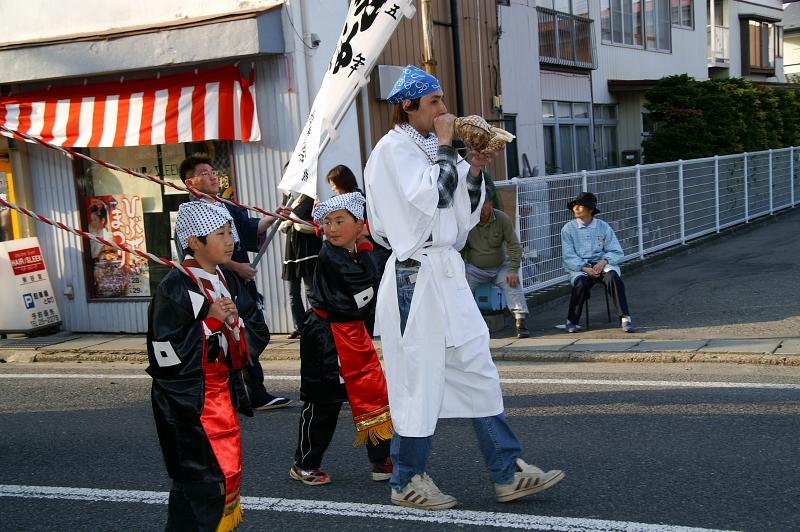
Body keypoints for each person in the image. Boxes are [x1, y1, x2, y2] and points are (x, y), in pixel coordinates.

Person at [364, 65, 564, 510]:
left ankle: (506, 471)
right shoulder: (392, 150)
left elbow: (464, 211)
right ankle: (406, 480)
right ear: (408, 106)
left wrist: (473, 167)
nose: (444, 110)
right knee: (419, 380)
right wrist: (447, 149)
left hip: (446, 269)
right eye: (434, 102)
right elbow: (434, 195)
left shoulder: (436, 148)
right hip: (415, 274)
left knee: (476, 369)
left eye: (442, 100)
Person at [147, 201, 254, 531]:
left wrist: (236, 324)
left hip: (216, 392)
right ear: (194, 242)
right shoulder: (176, 285)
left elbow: (249, 326)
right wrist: (208, 324)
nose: (230, 241)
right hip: (189, 399)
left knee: (193, 489)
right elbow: (163, 354)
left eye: (230, 233)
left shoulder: (220, 277)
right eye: (220, 234)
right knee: (206, 483)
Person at [289, 192, 393, 486]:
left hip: (353, 334)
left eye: (340, 220)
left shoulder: (361, 253)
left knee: (374, 394)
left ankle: (381, 459)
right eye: (328, 222)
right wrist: (367, 250)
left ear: (360, 224)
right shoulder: (333, 256)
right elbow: (361, 296)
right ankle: (304, 463)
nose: (332, 228)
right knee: (323, 402)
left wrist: (366, 250)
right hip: (325, 336)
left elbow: (366, 297)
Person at [179, 154, 291, 410]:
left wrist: (274, 216)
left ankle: (245, 387)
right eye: (204, 172)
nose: (212, 175)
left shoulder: (226, 206)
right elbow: (197, 250)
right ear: (190, 182)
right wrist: (235, 266)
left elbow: (251, 227)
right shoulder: (191, 211)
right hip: (215, 278)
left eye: (213, 170)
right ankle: (243, 389)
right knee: (232, 332)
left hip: (238, 279)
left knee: (251, 330)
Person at [561, 191, 634, 333]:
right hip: (580, 267)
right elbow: (568, 255)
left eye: (580, 206)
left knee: (613, 277)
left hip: (603, 264)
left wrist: (604, 261)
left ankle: (625, 317)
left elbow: (616, 251)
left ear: (590, 209)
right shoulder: (568, 229)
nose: (575, 208)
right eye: (574, 206)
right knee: (581, 284)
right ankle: (572, 320)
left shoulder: (603, 227)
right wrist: (584, 267)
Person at [462, 187, 531, 338]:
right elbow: (460, 248)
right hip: (474, 268)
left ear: (491, 204)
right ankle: (468, 326)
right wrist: (462, 270)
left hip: (500, 266)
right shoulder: (467, 221)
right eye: (476, 204)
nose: (480, 209)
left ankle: (521, 322)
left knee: (513, 283)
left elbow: (514, 245)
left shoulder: (502, 218)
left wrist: (513, 269)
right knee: (461, 289)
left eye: (483, 204)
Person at [280, 192, 320, 339]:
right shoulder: (288, 199)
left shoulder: (308, 197)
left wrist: (290, 219)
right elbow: (283, 221)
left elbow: (296, 217)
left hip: (307, 247)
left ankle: (318, 324)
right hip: (291, 249)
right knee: (293, 292)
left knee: (311, 290)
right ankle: (299, 326)